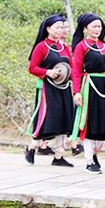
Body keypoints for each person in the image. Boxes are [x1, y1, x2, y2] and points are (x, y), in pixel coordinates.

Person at [70, 13, 105, 174]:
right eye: (94, 26)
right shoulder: (81, 46)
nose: (97, 29)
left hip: (104, 88)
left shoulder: (104, 46)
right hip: (88, 87)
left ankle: (95, 153)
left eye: (99, 26)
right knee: (90, 125)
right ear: (85, 28)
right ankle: (89, 160)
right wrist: (76, 92)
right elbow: (76, 71)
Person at [24, 14, 76, 167]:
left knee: (64, 119)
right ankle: (32, 147)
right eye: (57, 27)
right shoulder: (42, 47)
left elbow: (71, 67)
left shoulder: (64, 47)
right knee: (47, 118)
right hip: (48, 89)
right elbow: (32, 68)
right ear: (48, 28)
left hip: (64, 88)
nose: (60, 30)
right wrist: (48, 72)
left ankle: (59, 156)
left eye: (62, 27)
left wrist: (76, 84)